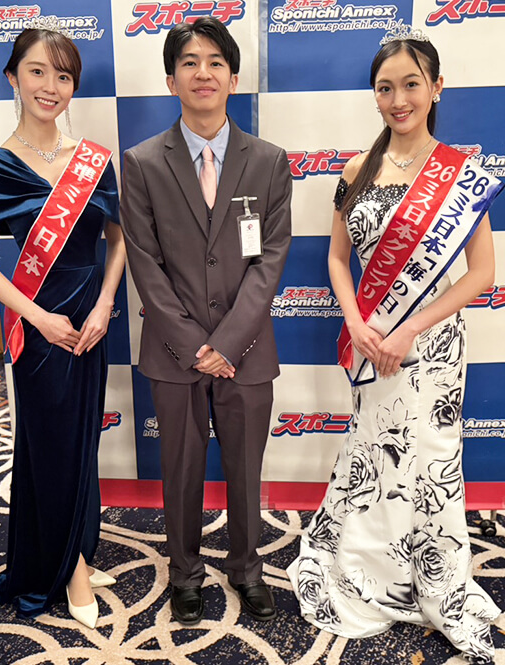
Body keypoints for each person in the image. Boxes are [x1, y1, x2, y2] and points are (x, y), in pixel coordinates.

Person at [287, 26, 502, 663]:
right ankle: (371, 567)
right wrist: (356, 323)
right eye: (385, 88)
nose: (398, 99)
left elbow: (482, 274)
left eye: (412, 84)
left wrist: (409, 327)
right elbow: (336, 258)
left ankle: (432, 576)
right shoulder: (358, 169)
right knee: (374, 456)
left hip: (430, 346)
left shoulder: (461, 174)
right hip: (371, 338)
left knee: (428, 460)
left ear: (436, 88)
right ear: (374, 95)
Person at [120, 17, 291, 626]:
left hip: (248, 350)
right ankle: (185, 573)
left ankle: (247, 569)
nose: (203, 73)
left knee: (246, 470)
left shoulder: (268, 161)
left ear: (233, 78)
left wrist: (229, 342)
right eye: (189, 62)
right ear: (171, 80)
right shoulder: (141, 163)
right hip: (175, 353)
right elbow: (145, 264)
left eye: (215, 62)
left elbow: (270, 259)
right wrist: (196, 345)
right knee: (182, 469)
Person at [0, 25, 125, 629]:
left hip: (90, 322)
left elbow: (119, 241)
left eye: (63, 76)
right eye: (37, 71)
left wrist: (106, 303)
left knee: (80, 440)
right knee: (50, 444)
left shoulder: (94, 162)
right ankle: (71, 572)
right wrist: (37, 318)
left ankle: (72, 547)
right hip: (40, 327)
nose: (50, 86)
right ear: (12, 77)